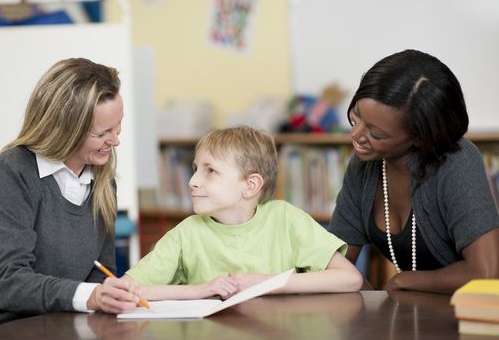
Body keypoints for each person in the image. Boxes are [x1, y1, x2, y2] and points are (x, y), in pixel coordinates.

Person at [0, 58, 142, 339]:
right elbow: (10, 283)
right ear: (66, 130)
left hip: (45, 329)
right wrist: (93, 296)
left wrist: (108, 294)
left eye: (118, 126)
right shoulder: (14, 171)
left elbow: (100, 273)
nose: (115, 141)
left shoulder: (102, 182)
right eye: (102, 133)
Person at [328, 49, 499, 294]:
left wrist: (405, 281)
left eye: (376, 134)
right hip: (417, 315)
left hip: (471, 316)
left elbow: (486, 274)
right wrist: (368, 299)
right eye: (357, 115)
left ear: (420, 137)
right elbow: (333, 261)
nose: (356, 135)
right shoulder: (364, 166)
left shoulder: (458, 162)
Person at [124, 126, 363, 300]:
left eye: (211, 171)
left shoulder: (286, 219)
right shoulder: (186, 233)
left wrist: (265, 283)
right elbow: (127, 289)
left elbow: (350, 278)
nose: (192, 181)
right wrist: (199, 290)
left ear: (250, 186)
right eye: (196, 169)